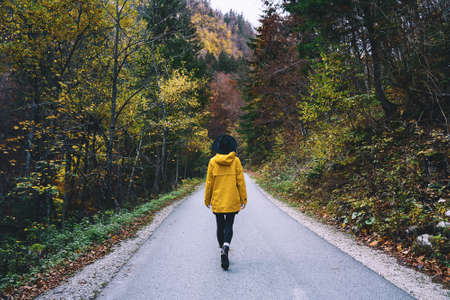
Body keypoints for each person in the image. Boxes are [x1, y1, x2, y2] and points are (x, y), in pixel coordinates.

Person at [204, 135, 247, 270]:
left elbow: (209, 183)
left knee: (219, 225)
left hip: (218, 199)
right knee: (229, 224)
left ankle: (221, 250)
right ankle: (226, 246)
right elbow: (240, 182)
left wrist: (207, 199)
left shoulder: (212, 162)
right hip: (232, 199)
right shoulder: (236, 161)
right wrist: (243, 198)